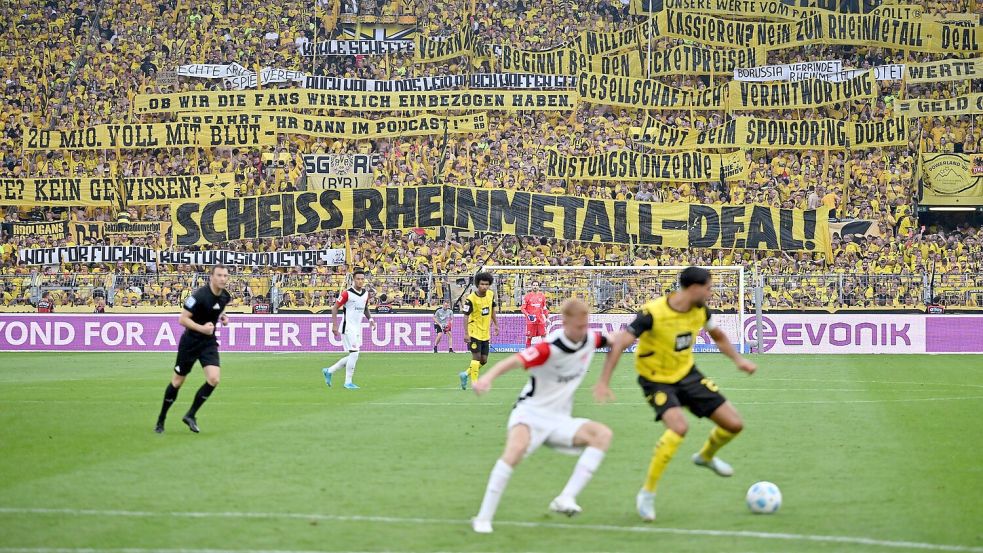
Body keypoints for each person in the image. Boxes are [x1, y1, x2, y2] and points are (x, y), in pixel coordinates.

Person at [593, 266, 756, 522]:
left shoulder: (700, 310)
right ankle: (647, 492)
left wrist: (738, 361)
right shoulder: (652, 313)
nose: (711, 293)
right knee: (679, 427)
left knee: (734, 424)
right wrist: (603, 381)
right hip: (656, 380)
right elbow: (621, 343)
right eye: (709, 288)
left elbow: (718, 335)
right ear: (694, 288)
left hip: (687, 374)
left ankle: (705, 456)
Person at [470, 298, 613, 534]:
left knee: (602, 435)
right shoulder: (549, 347)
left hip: (559, 419)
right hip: (530, 414)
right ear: (565, 323)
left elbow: (615, 341)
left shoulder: (590, 338)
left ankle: (565, 498)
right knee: (514, 452)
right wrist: (486, 379)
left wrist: (604, 379)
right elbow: (514, 361)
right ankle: (483, 517)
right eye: (578, 326)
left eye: (585, 325)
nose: (582, 331)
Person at [155, 264, 232, 434]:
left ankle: (191, 414)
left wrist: (223, 317)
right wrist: (202, 328)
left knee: (214, 379)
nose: (222, 279)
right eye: (219, 275)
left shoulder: (225, 296)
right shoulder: (198, 296)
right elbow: (183, 320)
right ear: (211, 277)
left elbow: (217, 311)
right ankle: (161, 419)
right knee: (177, 382)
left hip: (208, 343)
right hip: (190, 342)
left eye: (225, 276)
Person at [322, 269, 376, 390]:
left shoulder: (365, 294)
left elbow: (365, 308)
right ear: (353, 279)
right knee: (355, 353)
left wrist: (371, 320)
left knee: (353, 355)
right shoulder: (347, 293)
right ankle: (348, 382)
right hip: (347, 327)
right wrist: (334, 325)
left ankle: (329, 371)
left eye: (362, 279)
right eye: (358, 279)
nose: (360, 281)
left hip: (357, 328)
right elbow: (335, 308)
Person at [458, 272, 498, 390]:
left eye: (486, 284)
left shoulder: (490, 294)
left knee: (484, 360)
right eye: (482, 284)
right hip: (474, 332)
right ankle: (475, 384)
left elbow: (492, 310)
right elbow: (465, 316)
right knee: (476, 358)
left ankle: (465, 374)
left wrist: (496, 324)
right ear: (477, 285)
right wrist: (466, 333)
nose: (484, 286)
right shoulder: (470, 299)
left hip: (485, 333)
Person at [521, 281, 549, 348]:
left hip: (540, 320)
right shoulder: (527, 296)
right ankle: (527, 353)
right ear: (531, 286)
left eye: (536, 285)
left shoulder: (542, 296)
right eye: (534, 285)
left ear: (538, 287)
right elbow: (522, 308)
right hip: (531, 321)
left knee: (544, 336)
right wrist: (528, 315)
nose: (535, 286)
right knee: (529, 337)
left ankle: (544, 352)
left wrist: (547, 317)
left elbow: (544, 308)